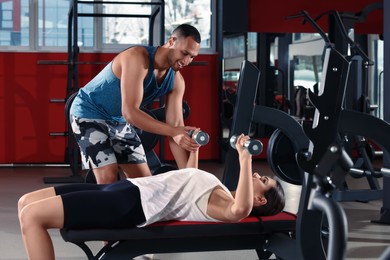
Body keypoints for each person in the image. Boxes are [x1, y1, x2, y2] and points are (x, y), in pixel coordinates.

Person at [18, 134, 285, 260]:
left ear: (259, 201)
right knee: (25, 203)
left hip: (127, 204)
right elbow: (188, 177)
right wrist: (195, 148)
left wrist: (245, 158)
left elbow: (240, 210)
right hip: (123, 189)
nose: (256, 176)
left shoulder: (226, 206)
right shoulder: (220, 191)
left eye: (263, 181)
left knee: (33, 216)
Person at [69, 24, 202, 184]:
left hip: (118, 120)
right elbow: (130, 112)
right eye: (185, 53)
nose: (187, 61)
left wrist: (188, 178)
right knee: (109, 179)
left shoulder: (176, 81)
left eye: (192, 57)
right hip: (89, 112)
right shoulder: (137, 57)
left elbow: (176, 129)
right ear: (171, 41)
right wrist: (174, 131)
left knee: (145, 184)